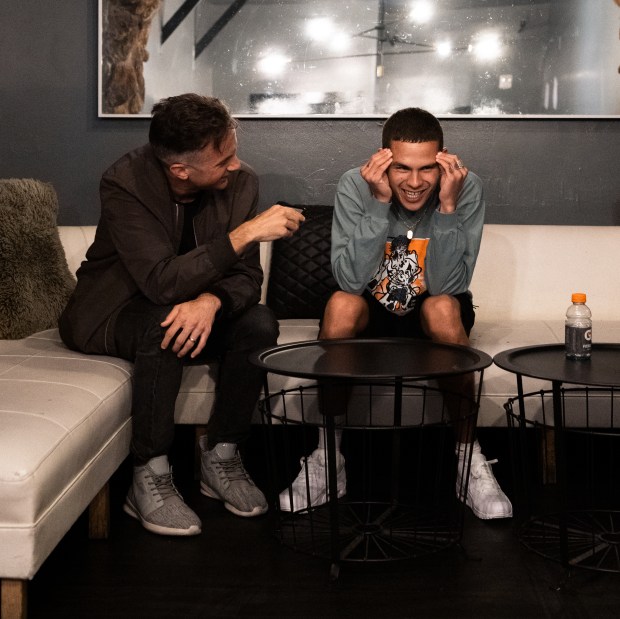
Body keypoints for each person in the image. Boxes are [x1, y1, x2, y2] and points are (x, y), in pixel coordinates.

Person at [59, 94, 305, 536]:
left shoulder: (241, 183)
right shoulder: (125, 183)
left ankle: (222, 455)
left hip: (193, 308)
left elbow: (248, 278)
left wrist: (211, 301)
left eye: (233, 152)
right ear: (180, 170)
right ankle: (148, 472)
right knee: (165, 323)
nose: (235, 165)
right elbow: (159, 283)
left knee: (259, 323)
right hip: (113, 313)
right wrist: (245, 233)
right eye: (223, 159)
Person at [278, 107, 512, 520]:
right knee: (341, 304)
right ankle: (328, 457)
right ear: (383, 159)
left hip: (434, 304)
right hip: (371, 304)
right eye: (402, 167)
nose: (415, 182)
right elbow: (349, 279)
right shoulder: (356, 184)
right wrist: (378, 203)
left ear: (443, 161)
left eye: (427, 168)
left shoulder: (464, 186)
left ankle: (468, 459)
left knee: (442, 308)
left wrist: (447, 206)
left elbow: (448, 284)